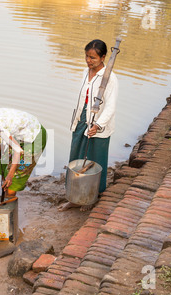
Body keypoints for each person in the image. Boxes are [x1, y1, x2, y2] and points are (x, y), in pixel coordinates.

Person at [59, 39, 119, 212]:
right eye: (86, 56)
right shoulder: (86, 73)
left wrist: (98, 125)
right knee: (76, 157)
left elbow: (111, 106)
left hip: (98, 123)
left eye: (93, 57)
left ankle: (91, 198)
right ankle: (74, 197)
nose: (89, 61)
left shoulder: (109, 78)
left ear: (103, 57)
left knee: (95, 160)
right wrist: (79, 121)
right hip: (81, 119)